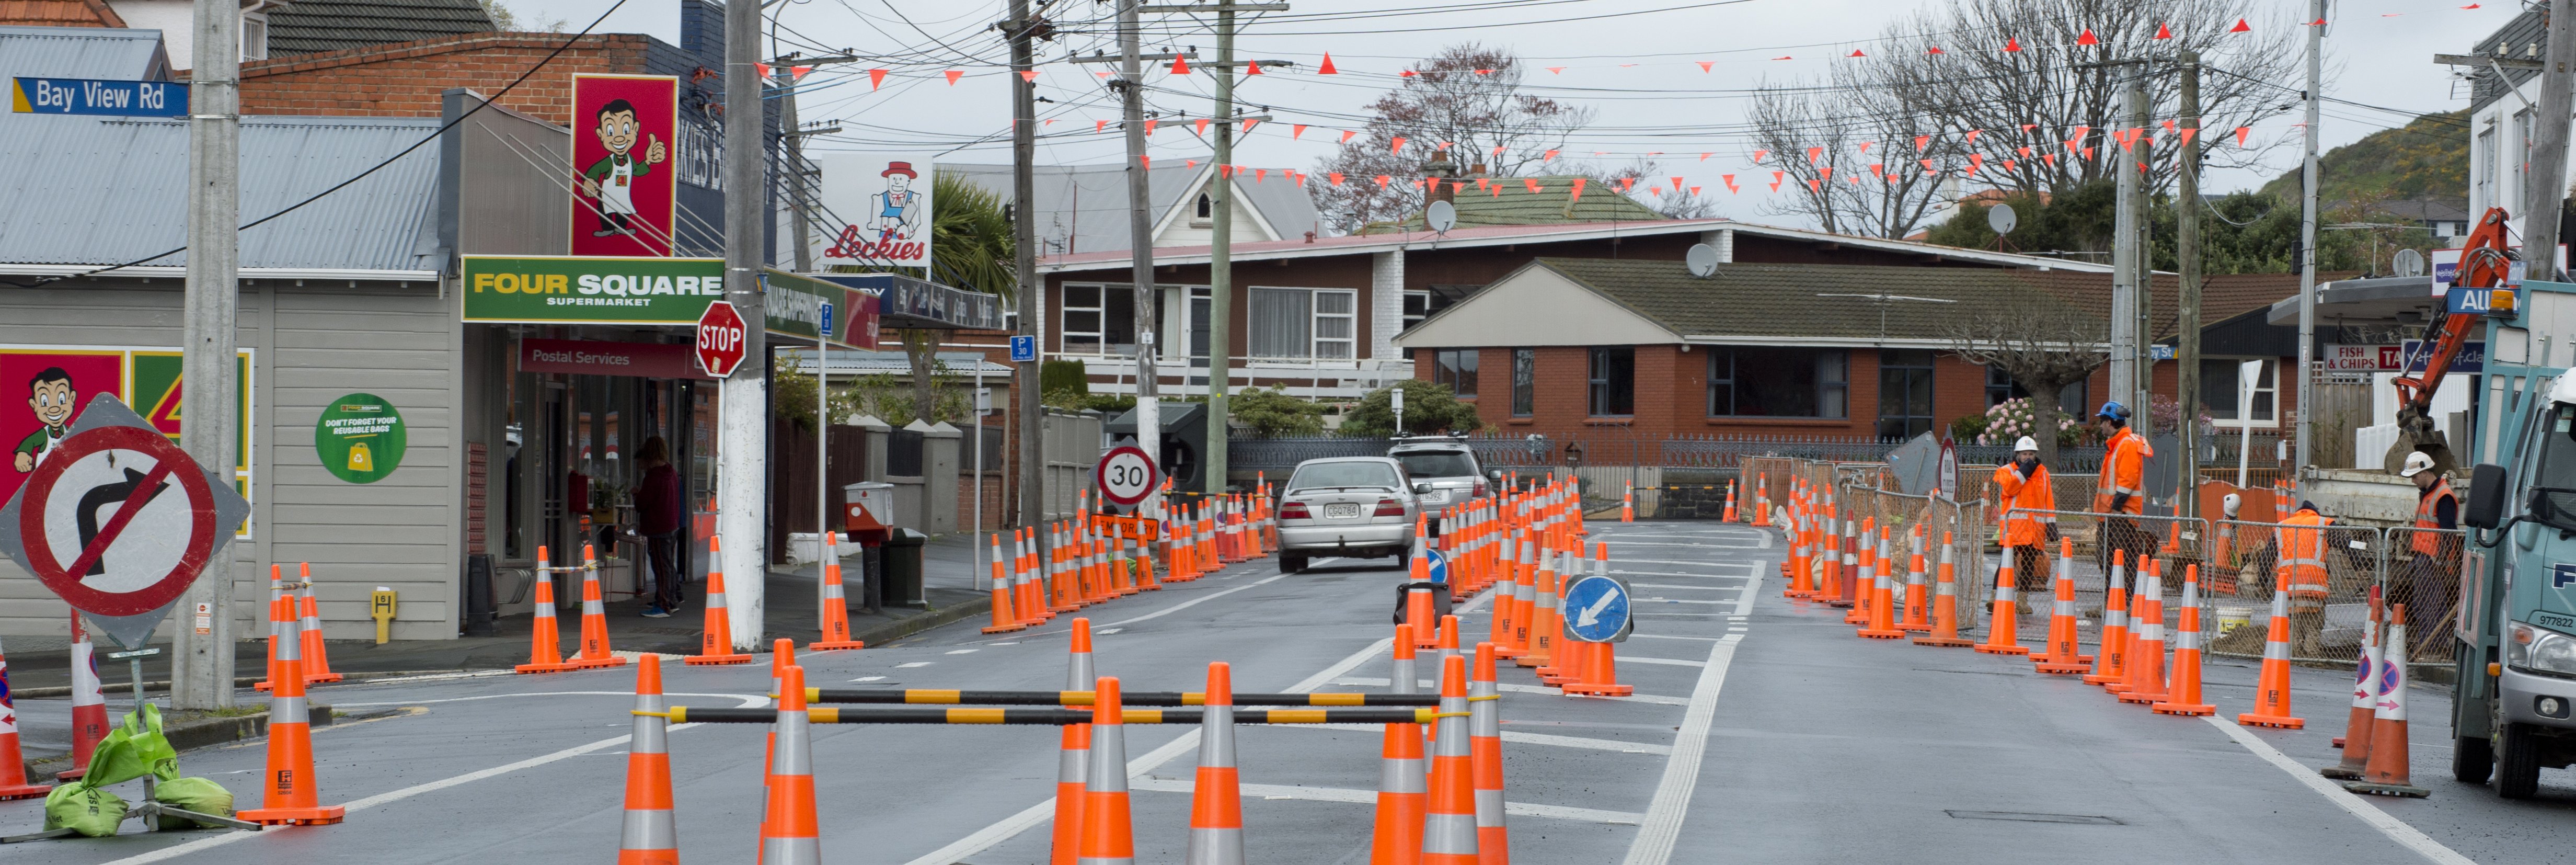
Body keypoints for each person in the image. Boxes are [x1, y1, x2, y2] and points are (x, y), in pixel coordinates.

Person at [2397, 450, 2459, 655]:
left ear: (2425, 472)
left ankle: (2430, 648)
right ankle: (2437, 645)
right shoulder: (2430, 494)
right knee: (2429, 604)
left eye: (2415, 476)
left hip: (2432, 560)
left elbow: (2448, 531)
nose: (2413, 480)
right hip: (2425, 557)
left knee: (2428, 605)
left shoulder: (2443, 495)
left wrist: (2441, 561)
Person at [2090, 401, 2159, 574]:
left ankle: (2124, 599)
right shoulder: (2118, 444)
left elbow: (2127, 481)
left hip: (2120, 515)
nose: (2100, 426)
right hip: (2111, 514)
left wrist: (2116, 509)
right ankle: (2113, 599)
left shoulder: (2126, 444)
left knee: (2122, 561)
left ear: (2109, 422)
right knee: (2107, 559)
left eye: (2102, 422)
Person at [1994, 437, 2059, 604]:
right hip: (2014, 528)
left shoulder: (2043, 473)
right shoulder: (2006, 471)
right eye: (2024, 454)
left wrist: (2052, 524)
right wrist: (2024, 471)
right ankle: (1995, 597)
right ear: (2017, 455)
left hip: (2034, 529)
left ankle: (2022, 600)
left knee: (2029, 564)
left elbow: (2048, 500)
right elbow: (2009, 489)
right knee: (2007, 563)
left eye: (2031, 454)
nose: (2028, 457)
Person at [633, 436, 686, 618]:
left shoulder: (653, 478)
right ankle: (672, 599)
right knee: (668, 565)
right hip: (672, 525)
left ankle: (663, 605)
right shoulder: (671, 473)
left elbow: (641, 505)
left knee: (661, 567)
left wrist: (636, 495)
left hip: (657, 527)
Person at [2275, 498, 2335, 656]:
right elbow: (2345, 542)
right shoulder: (2323, 523)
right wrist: (2359, 562)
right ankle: (2312, 655)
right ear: (2315, 512)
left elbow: (2267, 556)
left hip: (2288, 586)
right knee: (2313, 626)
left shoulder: (2282, 526)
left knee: (2292, 626)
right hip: (2314, 585)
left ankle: (2293, 655)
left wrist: (2261, 582)